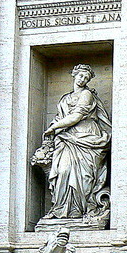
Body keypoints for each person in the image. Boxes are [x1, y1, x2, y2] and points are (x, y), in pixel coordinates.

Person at [39, 64, 111, 221]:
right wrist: (55, 129)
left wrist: (53, 128)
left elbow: (76, 117)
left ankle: (78, 211)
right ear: (74, 75)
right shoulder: (65, 98)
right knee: (63, 172)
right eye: (81, 76)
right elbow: (60, 117)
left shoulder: (87, 95)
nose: (83, 79)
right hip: (67, 139)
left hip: (86, 137)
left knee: (84, 177)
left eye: (86, 78)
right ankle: (60, 209)